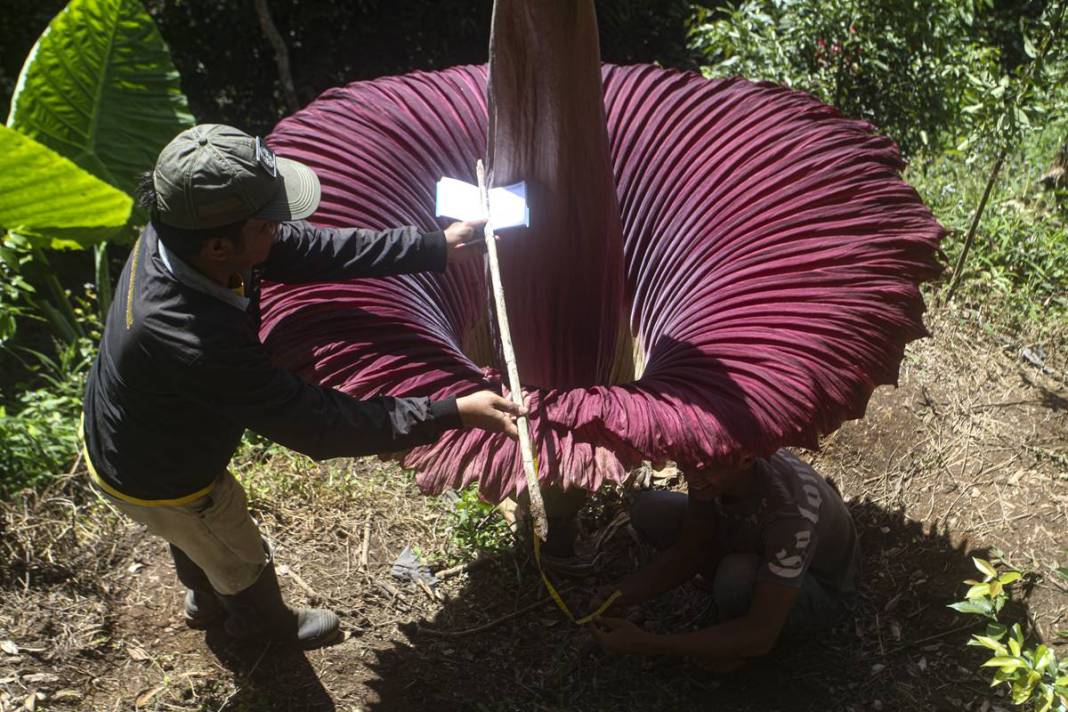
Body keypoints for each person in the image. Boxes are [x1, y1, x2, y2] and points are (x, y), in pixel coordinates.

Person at [81, 124, 524, 650]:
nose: (280, 232)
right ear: (223, 246)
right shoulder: (193, 339)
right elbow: (320, 426)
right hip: (161, 472)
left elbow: (301, 247)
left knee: (197, 538)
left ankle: (204, 598)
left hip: (141, 428)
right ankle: (263, 629)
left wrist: (430, 247)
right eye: (267, 226)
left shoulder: (185, 232)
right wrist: (452, 411)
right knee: (233, 544)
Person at [588, 450, 859, 666]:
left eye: (701, 467)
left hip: (819, 587)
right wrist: (623, 593)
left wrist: (652, 644)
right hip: (761, 540)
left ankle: (732, 648)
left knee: (735, 578)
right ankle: (726, 624)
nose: (691, 476)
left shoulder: (791, 516)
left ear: (746, 458)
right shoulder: (713, 462)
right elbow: (691, 550)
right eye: (686, 461)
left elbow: (760, 634)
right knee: (652, 509)